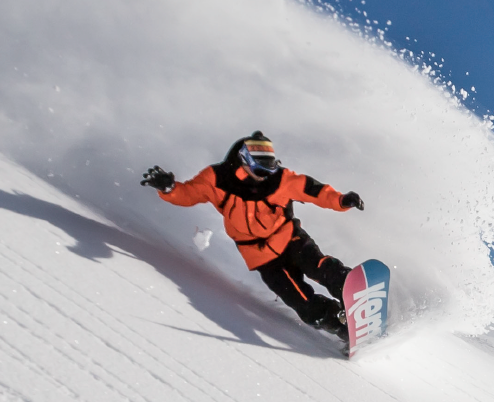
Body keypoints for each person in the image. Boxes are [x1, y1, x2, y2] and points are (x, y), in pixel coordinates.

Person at [140, 131, 364, 344]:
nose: (265, 176)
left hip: (288, 238)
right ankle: (342, 326)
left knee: (318, 266)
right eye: (260, 170)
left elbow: (315, 191)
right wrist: (169, 189)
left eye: (270, 169)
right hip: (261, 256)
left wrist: (342, 200)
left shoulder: (281, 179)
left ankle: (356, 292)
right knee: (301, 302)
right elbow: (189, 194)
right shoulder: (217, 179)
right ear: (244, 161)